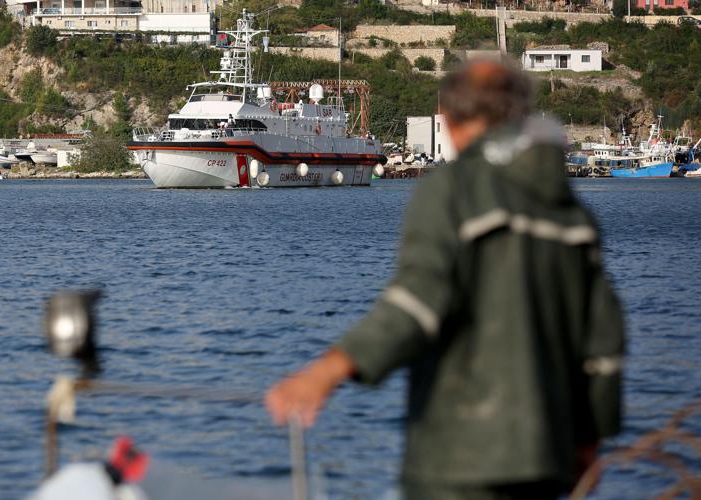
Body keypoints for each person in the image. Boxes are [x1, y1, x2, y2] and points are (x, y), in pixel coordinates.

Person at [265, 59, 624, 499]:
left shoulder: (453, 191)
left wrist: (326, 371)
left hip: (460, 455)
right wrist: (590, 440)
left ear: (448, 119)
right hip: (549, 454)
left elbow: (416, 304)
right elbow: (603, 344)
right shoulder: (571, 213)